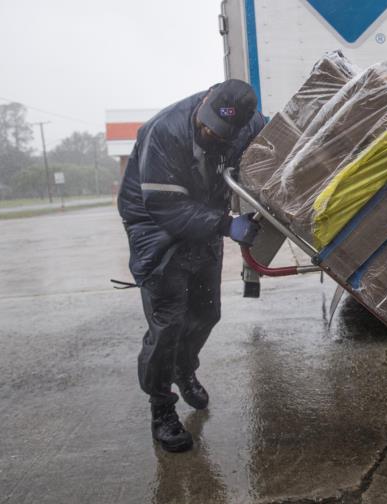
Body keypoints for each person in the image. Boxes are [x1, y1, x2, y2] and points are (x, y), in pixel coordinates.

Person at [117, 80, 264, 452]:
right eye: (208, 124)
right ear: (204, 100)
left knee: (207, 312)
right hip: (157, 229)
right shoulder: (164, 130)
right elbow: (165, 207)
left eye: (221, 131)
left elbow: (273, 145)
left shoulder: (248, 124)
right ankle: (162, 407)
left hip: (203, 220)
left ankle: (184, 369)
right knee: (168, 324)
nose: (211, 132)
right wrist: (228, 225)